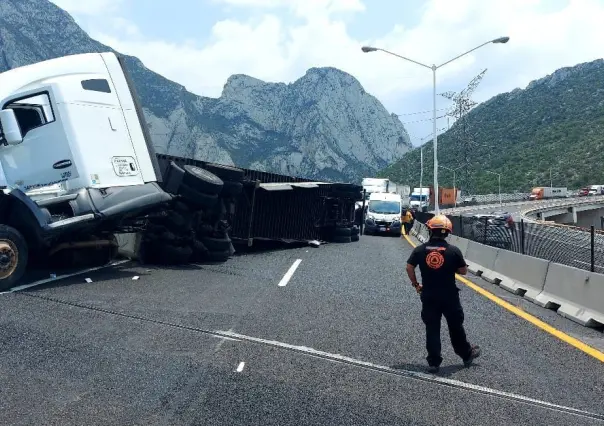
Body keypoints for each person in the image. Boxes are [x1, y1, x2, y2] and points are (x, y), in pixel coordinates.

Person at [405, 214, 481, 373]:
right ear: (447, 233)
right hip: (449, 296)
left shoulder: (420, 250)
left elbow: (409, 267)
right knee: (455, 327)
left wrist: (416, 285)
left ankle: (434, 362)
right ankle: (466, 354)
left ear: (430, 230)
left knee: (432, 327)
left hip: (429, 295)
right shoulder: (453, 251)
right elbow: (463, 271)